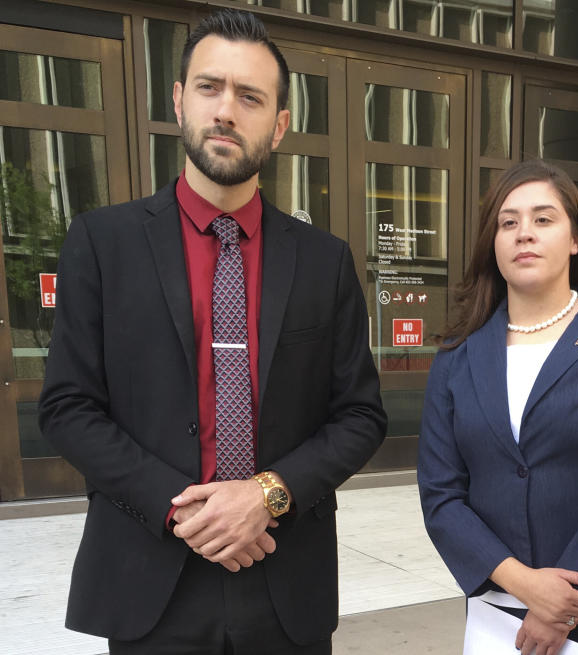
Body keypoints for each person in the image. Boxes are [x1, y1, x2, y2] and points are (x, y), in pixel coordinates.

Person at [38, 9, 386, 654]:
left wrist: (266, 495)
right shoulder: (102, 243)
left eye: (250, 96)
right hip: (150, 574)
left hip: (284, 571)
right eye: (209, 87)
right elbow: (66, 406)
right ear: (179, 100)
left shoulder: (323, 260)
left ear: (279, 125)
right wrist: (184, 510)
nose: (226, 110)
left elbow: (361, 415)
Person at [417, 159, 578, 654]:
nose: (523, 233)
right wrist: (526, 586)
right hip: (495, 612)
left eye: (543, 219)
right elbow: (441, 496)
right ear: (494, 242)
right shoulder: (458, 353)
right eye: (508, 222)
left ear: (575, 239)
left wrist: (562, 604)